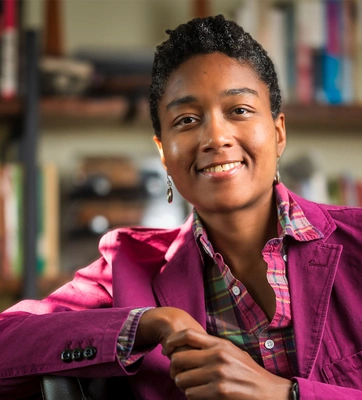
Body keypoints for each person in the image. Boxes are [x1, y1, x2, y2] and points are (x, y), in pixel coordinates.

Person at [1, 14, 362, 400]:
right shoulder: (127, 268)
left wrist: (285, 395)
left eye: (238, 110)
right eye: (187, 120)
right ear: (163, 154)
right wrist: (147, 323)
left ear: (278, 132)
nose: (215, 137)